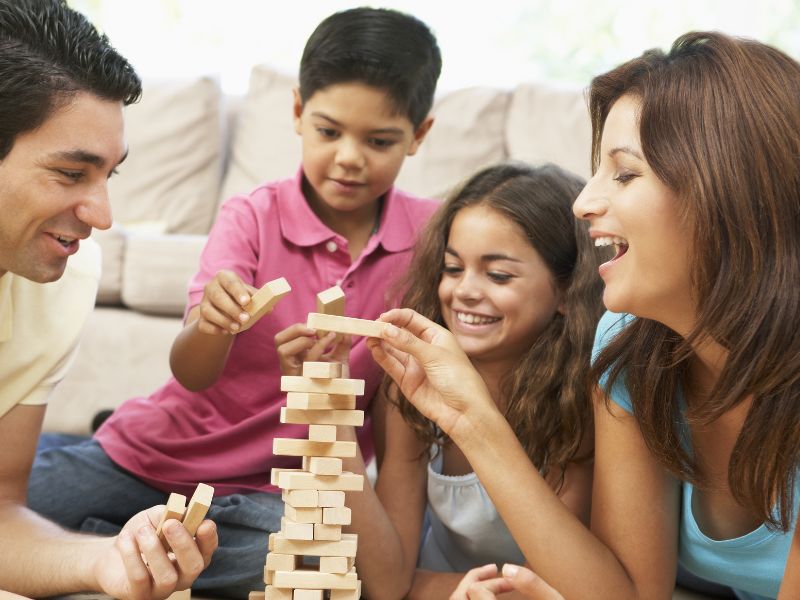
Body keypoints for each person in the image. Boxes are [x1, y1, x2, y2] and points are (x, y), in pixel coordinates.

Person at [366, 31, 800, 600]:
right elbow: (627, 593)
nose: (584, 203)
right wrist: (472, 419)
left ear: (725, 190)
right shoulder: (630, 346)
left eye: (624, 174)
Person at [27, 7, 441, 597]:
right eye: (329, 131)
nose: (350, 157)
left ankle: (116, 540)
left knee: (304, 567)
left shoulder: (427, 241)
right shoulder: (251, 216)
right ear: (298, 112)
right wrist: (213, 326)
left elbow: (395, 412)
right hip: (155, 456)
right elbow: (191, 373)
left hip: (276, 494)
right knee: (27, 500)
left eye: (379, 141)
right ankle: (117, 521)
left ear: (419, 134)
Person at [0, 1, 217, 598]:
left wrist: (106, 562)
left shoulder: (64, 274)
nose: (102, 216)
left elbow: (0, 512)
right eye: (72, 174)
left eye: (108, 176)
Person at [313, 162, 604, 600]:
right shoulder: (412, 390)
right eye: (452, 268)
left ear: (566, 292)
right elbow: (389, 582)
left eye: (499, 275)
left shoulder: (577, 402)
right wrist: (332, 413)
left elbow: (551, 580)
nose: (464, 290)